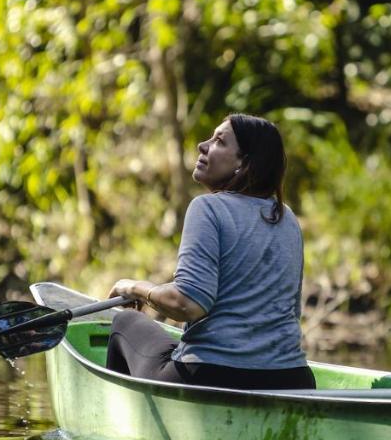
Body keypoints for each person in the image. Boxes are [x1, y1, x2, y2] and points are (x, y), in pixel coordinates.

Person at [104, 114, 316, 390]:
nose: (202, 146)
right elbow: (289, 310)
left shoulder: (208, 208)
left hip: (213, 376)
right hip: (292, 379)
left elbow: (188, 304)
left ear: (244, 162)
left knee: (124, 321)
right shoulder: (286, 218)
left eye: (219, 141)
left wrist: (133, 288)